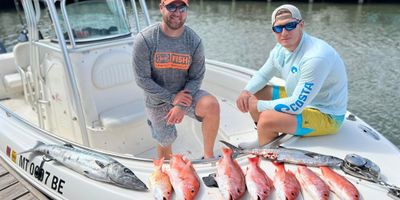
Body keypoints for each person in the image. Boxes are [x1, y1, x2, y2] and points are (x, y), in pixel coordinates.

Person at [236, 4, 348, 147]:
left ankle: (267, 152)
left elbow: (296, 106)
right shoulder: (280, 48)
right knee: (255, 92)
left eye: (290, 26)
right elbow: (263, 75)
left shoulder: (315, 57)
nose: (283, 33)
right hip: (302, 99)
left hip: (327, 114)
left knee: (266, 117)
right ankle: (264, 136)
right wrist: (246, 92)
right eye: (278, 28)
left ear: (301, 25)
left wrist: (258, 105)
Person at [133, 0, 219, 159]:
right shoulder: (145, 39)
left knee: (211, 106)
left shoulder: (194, 41)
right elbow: (142, 79)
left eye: (182, 7)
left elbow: (196, 77)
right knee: (166, 148)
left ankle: (208, 157)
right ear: (161, 8)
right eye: (171, 6)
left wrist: (179, 104)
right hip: (157, 99)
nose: (177, 12)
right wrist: (172, 99)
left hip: (185, 95)